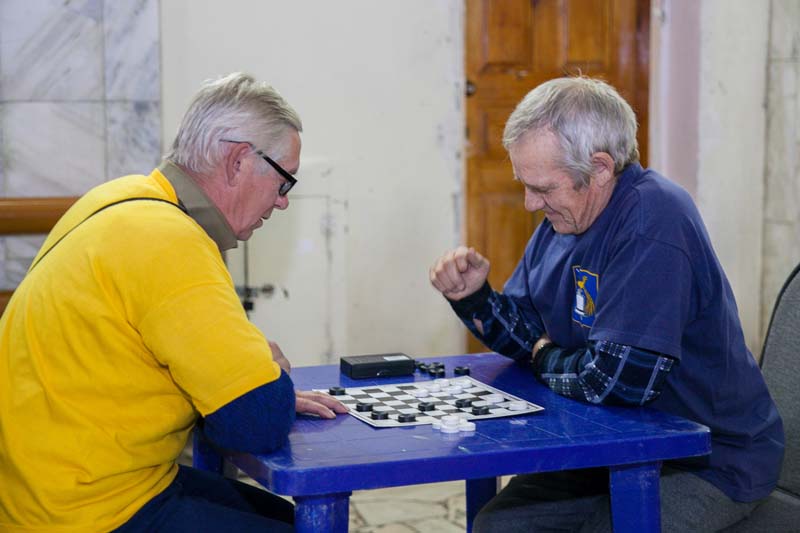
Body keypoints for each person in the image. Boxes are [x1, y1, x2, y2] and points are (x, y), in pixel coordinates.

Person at [429, 76, 784, 532]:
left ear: (599, 168)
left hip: (704, 460)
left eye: (543, 188)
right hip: (605, 443)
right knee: (499, 526)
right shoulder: (566, 219)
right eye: (525, 184)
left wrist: (544, 354)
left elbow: (615, 383)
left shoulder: (653, 219)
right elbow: (525, 334)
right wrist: (474, 297)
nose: (529, 203)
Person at [0, 73, 347, 532]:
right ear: (239, 160)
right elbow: (253, 423)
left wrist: (259, 385)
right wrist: (273, 380)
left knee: (281, 516)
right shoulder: (170, 240)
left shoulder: (120, 198)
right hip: (86, 511)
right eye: (284, 182)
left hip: (38, 488)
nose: (282, 203)